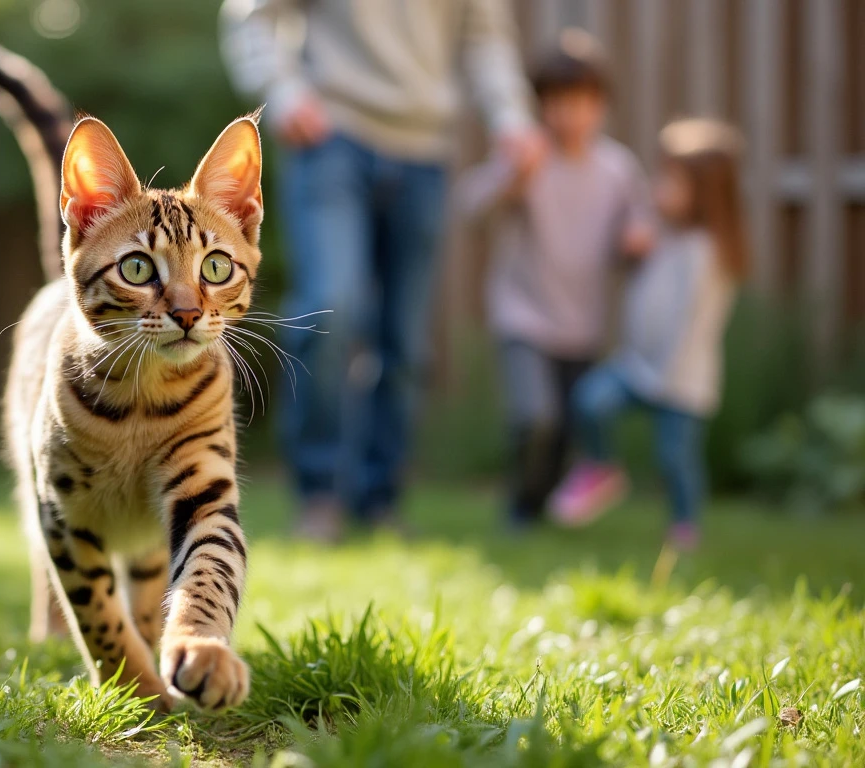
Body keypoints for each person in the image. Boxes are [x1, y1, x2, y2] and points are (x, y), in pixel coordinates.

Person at [220, 0, 538, 541]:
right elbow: (253, 14)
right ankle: (319, 493)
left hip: (424, 151)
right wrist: (286, 91)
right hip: (331, 137)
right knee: (330, 308)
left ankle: (379, 499)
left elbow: (486, 38)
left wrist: (511, 118)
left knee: (405, 341)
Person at [458, 29, 652, 529]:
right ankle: (520, 510)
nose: (572, 115)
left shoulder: (617, 170)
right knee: (535, 417)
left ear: (602, 106)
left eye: (585, 102)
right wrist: (512, 179)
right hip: (523, 314)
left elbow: (637, 229)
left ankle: (543, 509)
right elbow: (471, 207)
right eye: (560, 102)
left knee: (563, 430)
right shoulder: (528, 158)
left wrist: (635, 239)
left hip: (582, 323)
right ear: (541, 105)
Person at [550, 118, 749, 550]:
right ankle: (602, 468)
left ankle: (684, 526)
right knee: (590, 400)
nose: (659, 188)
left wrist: (667, 377)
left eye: (671, 181)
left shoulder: (706, 255)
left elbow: (691, 323)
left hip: (681, 378)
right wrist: (636, 251)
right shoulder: (663, 236)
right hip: (637, 363)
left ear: (703, 192)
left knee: (675, 457)